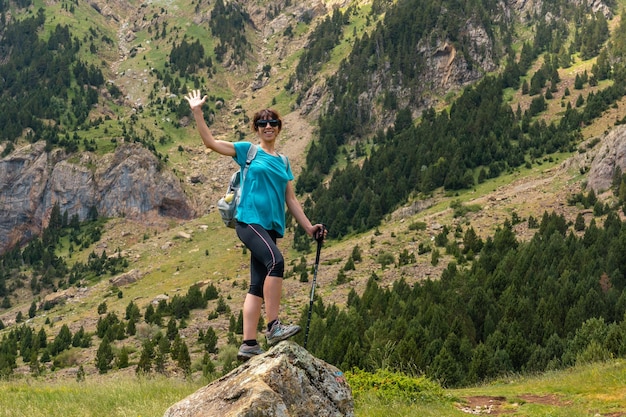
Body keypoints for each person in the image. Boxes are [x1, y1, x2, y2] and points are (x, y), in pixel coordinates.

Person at [184, 89, 326, 361]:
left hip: (271, 227)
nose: (268, 126)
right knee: (277, 262)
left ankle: (248, 344)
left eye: (273, 122)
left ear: (279, 128)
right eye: (263, 123)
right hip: (249, 221)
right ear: (257, 129)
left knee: (256, 285)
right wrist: (197, 112)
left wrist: (310, 228)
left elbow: (291, 200)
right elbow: (211, 143)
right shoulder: (247, 151)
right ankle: (273, 327)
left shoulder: (283, 161)